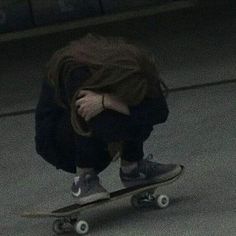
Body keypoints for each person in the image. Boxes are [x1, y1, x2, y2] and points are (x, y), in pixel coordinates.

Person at [35, 34, 182, 205]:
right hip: (60, 143)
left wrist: (110, 101)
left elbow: (159, 112)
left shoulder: (139, 69)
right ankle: (84, 177)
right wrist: (123, 107)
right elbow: (101, 125)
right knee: (91, 111)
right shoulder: (77, 71)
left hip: (102, 130)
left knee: (139, 111)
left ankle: (132, 167)